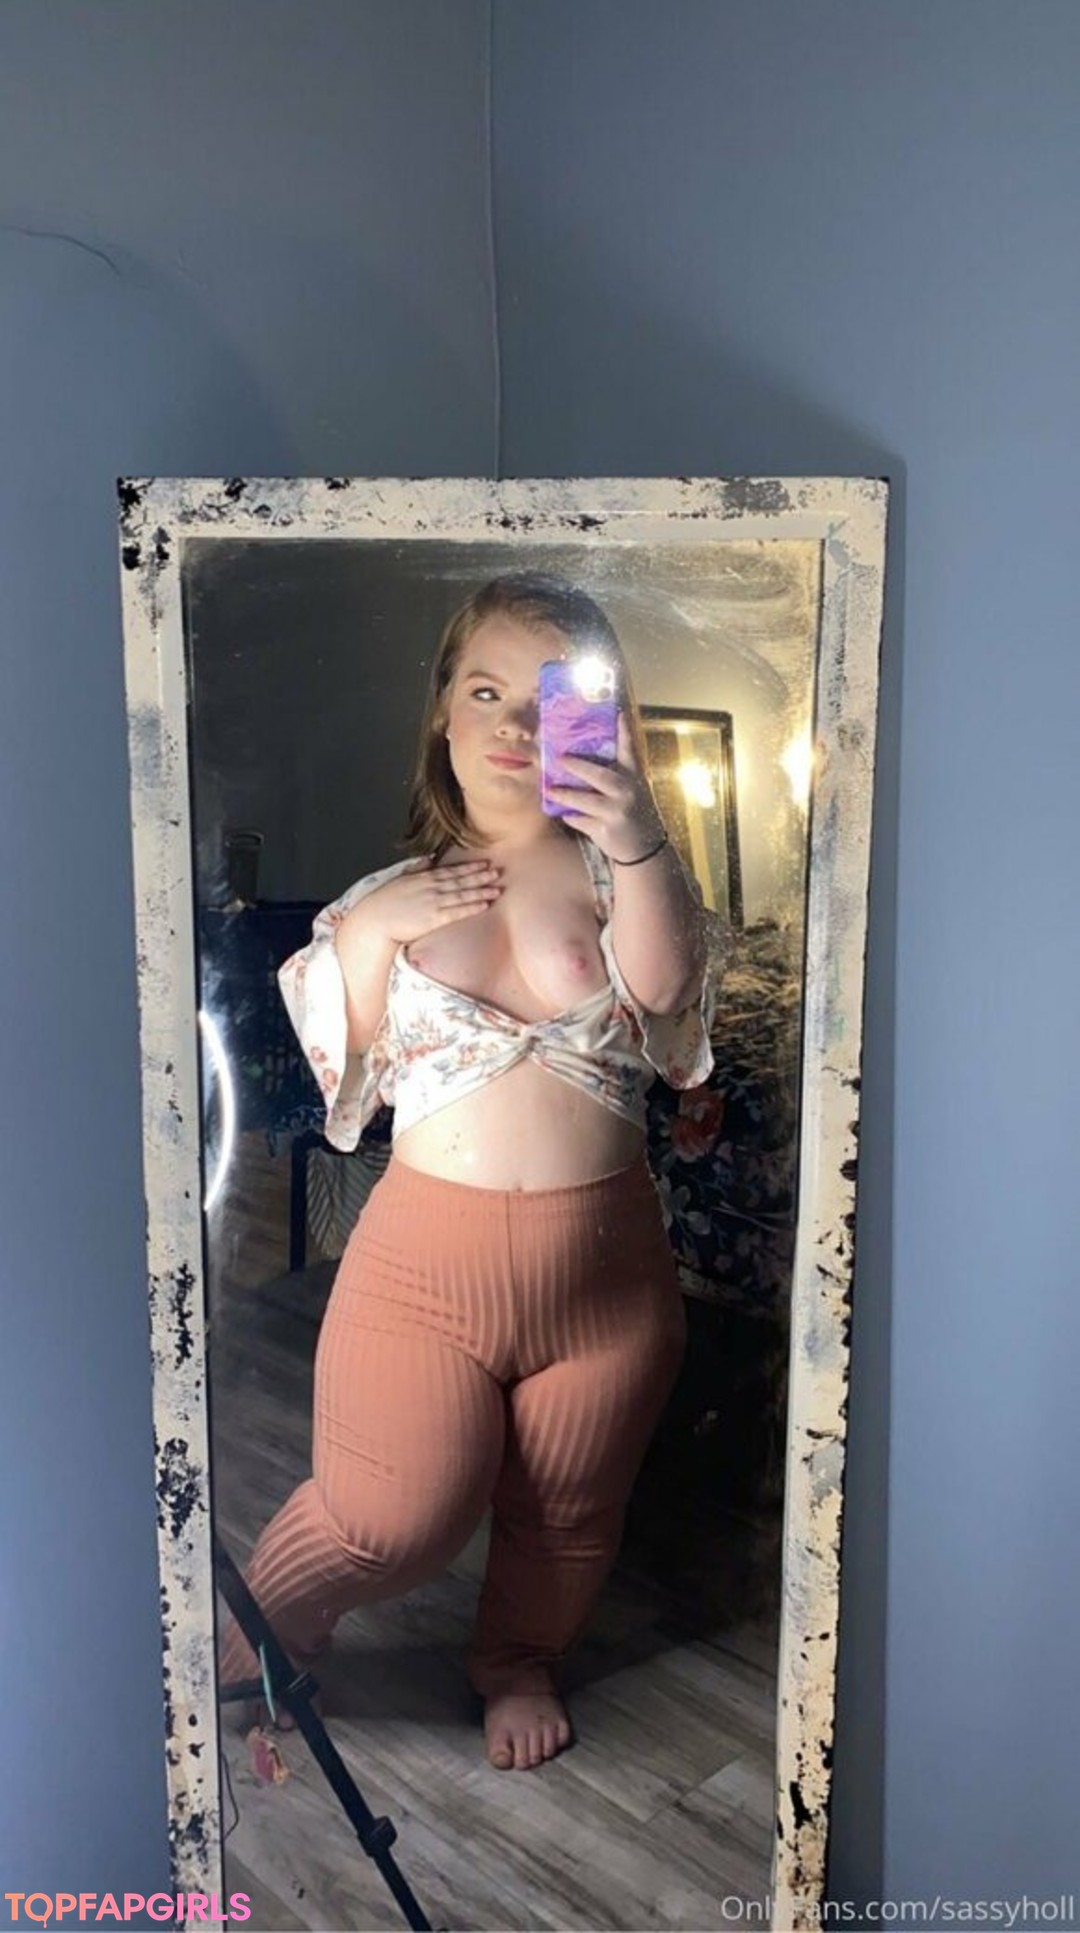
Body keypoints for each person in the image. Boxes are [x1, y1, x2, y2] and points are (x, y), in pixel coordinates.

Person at [217, 571, 728, 1773]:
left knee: (568, 1511)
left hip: (605, 1286)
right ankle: (263, 1632)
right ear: (443, 714)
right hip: (422, 1277)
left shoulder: (621, 874)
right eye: (486, 692)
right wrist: (378, 925)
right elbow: (341, 1064)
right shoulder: (384, 899)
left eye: (554, 700)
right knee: (385, 1513)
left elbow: (667, 989)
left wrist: (639, 834)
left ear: (606, 722)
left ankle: (516, 1658)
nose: (514, 725)